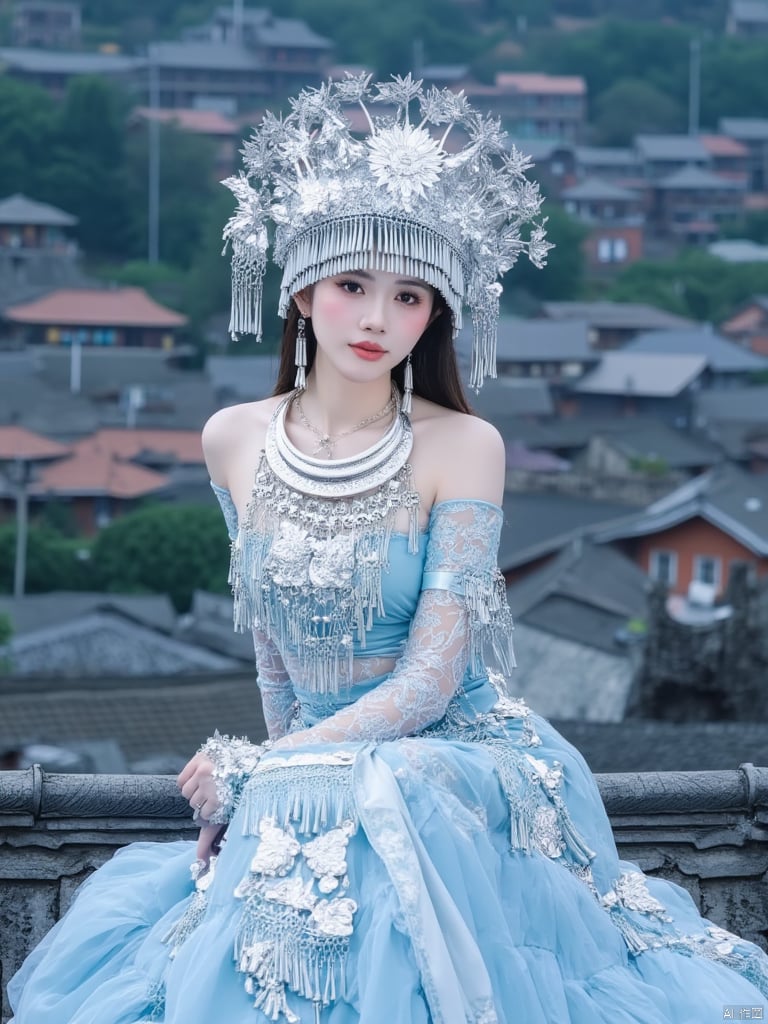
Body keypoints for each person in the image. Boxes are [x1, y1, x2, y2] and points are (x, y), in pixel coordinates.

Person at [8, 74, 768, 1024]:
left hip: (446, 757)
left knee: (384, 800)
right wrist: (275, 771)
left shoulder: (463, 445)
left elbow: (430, 681)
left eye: (409, 297)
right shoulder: (232, 437)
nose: (376, 319)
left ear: (436, 315)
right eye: (352, 286)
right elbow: (271, 643)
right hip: (315, 766)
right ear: (301, 290)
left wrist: (263, 770)